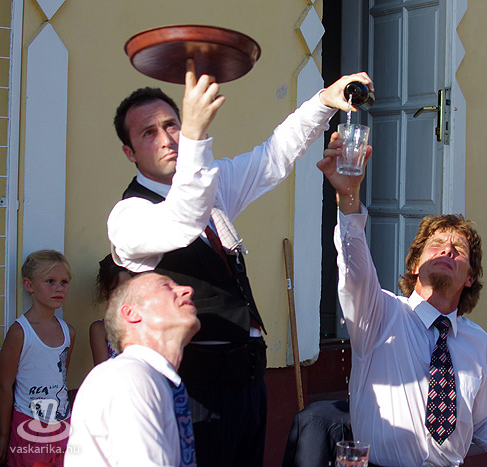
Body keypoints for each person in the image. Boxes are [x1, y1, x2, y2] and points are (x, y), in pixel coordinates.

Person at [107, 60, 372, 466]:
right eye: (149, 132)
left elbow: (273, 157)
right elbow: (183, 219)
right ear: (129, 153)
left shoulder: (209, 186)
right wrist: (195, 137)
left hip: (247, 383)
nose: (167, 138)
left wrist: (323, 102)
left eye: (172, 125)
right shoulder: (129, 216)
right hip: (193, 391)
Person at [317, 133, 487, 467]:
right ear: (415, 266)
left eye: (458, 250)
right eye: (436, 245)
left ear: (470, 277)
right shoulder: (380, 314)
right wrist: (348, 196)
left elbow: (483, 422)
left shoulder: (477, 341)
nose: (447, 250)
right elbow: (354, 264)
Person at [65, 272, 200, 466]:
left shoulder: (152, 378)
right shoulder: (130, 376)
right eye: (165, 286)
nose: (187, 290)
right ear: (131, 313)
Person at [0, 250, 76, 467]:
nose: (59, 288)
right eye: (50, 281)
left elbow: (61, 377)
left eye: (64, 282)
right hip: (29, 425)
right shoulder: (20, 332)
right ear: (29, 285)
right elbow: (4, 386)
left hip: (63, 425)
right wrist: (4, 435)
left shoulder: (69, 332)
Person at [89, 254, 132, 365]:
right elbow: (101, 369)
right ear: (105, 288)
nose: (124, 295)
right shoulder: (100, 329)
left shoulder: (143, 323)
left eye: (128, 288)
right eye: (118, 290)